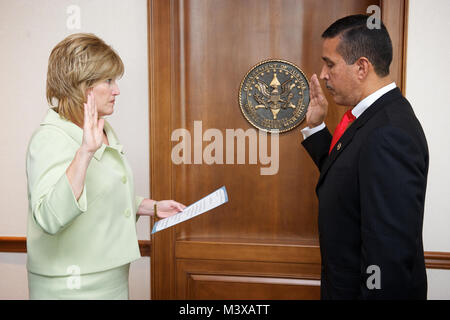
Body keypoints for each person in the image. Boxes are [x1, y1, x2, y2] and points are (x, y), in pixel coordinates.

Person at [26, 33, 186, 299]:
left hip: (111, 276)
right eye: (108, 81)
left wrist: (151, 207)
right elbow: (49, 217)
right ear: (82, 85)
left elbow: (100, 191)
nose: (117, 90)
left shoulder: (103, 129)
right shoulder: (49, 138)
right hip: (71, 285)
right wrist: (85, 153)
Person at [301, 15, 428, 299]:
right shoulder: (375, 119)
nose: (322, 74)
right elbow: (350, 185)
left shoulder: (389, 132)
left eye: (330, 64)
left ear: (361, 67)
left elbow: (388, 256)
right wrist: (317, 129)